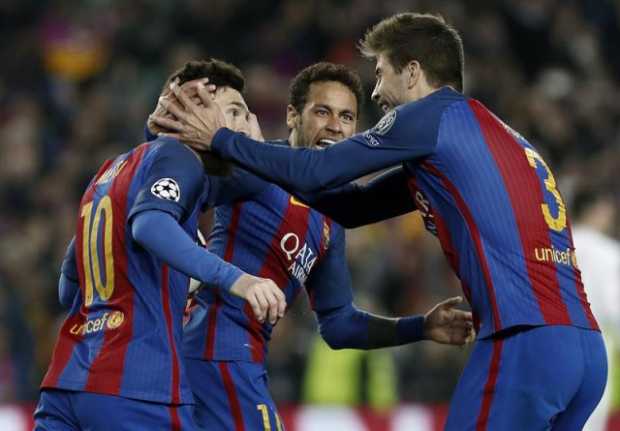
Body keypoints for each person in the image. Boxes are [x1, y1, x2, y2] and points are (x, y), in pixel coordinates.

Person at [152, 13, 607, 430]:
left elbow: (315, 173)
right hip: (585, 350)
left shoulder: (430, 116)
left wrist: (220, 137)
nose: (375, 93)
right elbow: (353, 206)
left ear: (411, 72)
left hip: (525, 339)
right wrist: (419, 326)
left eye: (380, 72)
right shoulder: (485, 137)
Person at [170, 62, 474, 430]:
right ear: (292, 116)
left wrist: (421, 327)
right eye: (322, 112)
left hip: (243, 363)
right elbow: (176, 183)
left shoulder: (334, 216)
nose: (335, 126)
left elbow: (338, 324)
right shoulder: (257, 168)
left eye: (347, 116)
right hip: (214, 355)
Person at [34, 59, 286, 431]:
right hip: (136, 389)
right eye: (234, 112)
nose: (243, 126)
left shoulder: (109, 173)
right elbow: (150, 225)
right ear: (193, 108)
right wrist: (240, 280)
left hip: (65, 384)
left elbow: (68, 288)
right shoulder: (178, 156)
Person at [571, 189, 620, 431]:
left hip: (553, 337)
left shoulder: (555, 244)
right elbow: (615, 309)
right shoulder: (608, 252)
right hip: (595, 344)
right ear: (597, 209)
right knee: (590, 420)